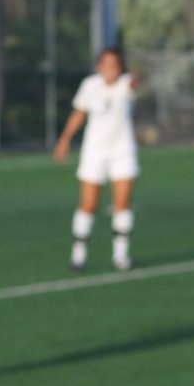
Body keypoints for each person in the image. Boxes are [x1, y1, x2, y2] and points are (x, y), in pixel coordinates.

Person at [54, 47, 139, 271]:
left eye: (116, 64)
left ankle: (121, 256)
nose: (111, 69)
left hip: (122, 151)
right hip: (94, 151)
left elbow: (134, 85)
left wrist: (134, 78)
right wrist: (64, 140)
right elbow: (79, 113)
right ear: (98, 66)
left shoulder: (126, 83)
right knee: (88, 204)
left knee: (122, 204)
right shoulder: (90, 86)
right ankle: (78, 255)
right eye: (106, 64)